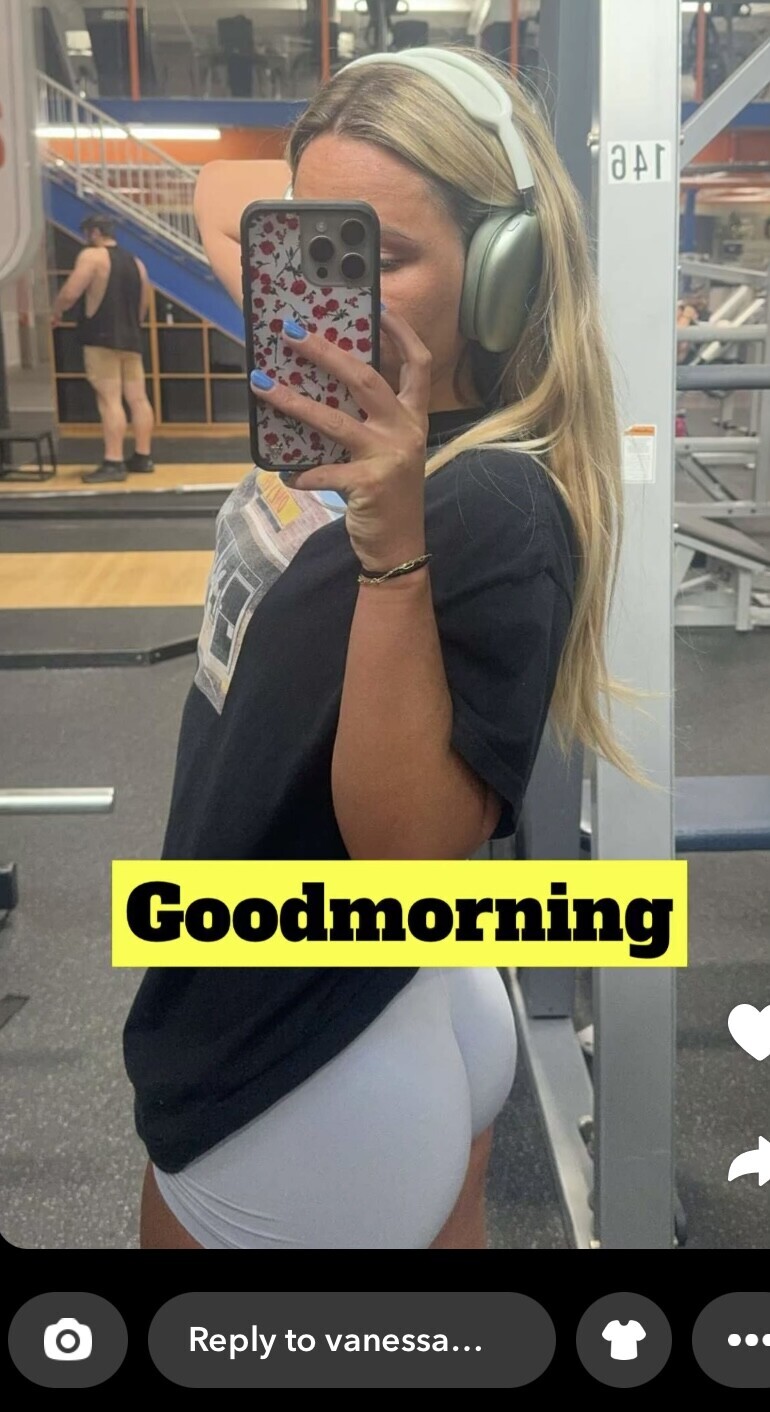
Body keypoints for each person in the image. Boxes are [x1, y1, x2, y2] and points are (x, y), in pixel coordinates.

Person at [124, 46, 642, 1251]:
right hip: (387, 992)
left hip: (296, 1055)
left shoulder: (484, 502)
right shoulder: (351, 393)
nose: (330, 292)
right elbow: (221, 200)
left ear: (505, 273)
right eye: (311, 244)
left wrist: (389, 545)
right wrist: (324, 202)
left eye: (384, 255)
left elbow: (408, 852)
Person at [50, 214, 155, 482]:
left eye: (86, 233)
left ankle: (113, 461)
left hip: (101, 338)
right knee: (138, 399)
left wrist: (56, 311)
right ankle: (143, 457)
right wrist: (133, 327)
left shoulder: (92, 257)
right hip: (131, 339)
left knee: (109, 400)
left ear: (95, 232)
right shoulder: (136, 262)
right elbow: (144, 301)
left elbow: (71, 292)